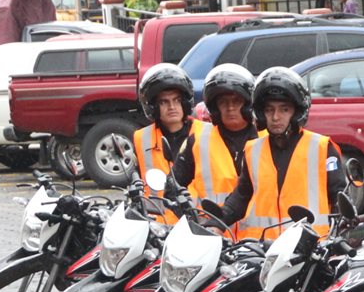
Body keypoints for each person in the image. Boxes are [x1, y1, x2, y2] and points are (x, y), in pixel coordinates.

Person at [218, 66, 344, 242]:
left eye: (284, 109)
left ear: (297, 112)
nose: (276, 117)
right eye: (269, 110)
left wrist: (340, 235)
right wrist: (215, 222)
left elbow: (340, 198)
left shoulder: (322, 148)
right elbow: (241, 196)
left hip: (309, 248)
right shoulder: (253, 150)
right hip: (261, 248)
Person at [169, 64, 260, 208]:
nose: (230, 107)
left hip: (257, 223)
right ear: (215, 107)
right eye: (223, 102)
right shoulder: (198, 141)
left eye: (236, 101)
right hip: (209, 221)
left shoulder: (267, 139)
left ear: (248, 104)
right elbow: (172, 187)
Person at [134, 62, 198, 184]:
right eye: (163, 102)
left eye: (177, 100)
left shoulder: (206, 134)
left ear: (185, 103)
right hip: (158, 197)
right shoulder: (141, 139)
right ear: (153, 107)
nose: (172, 107)